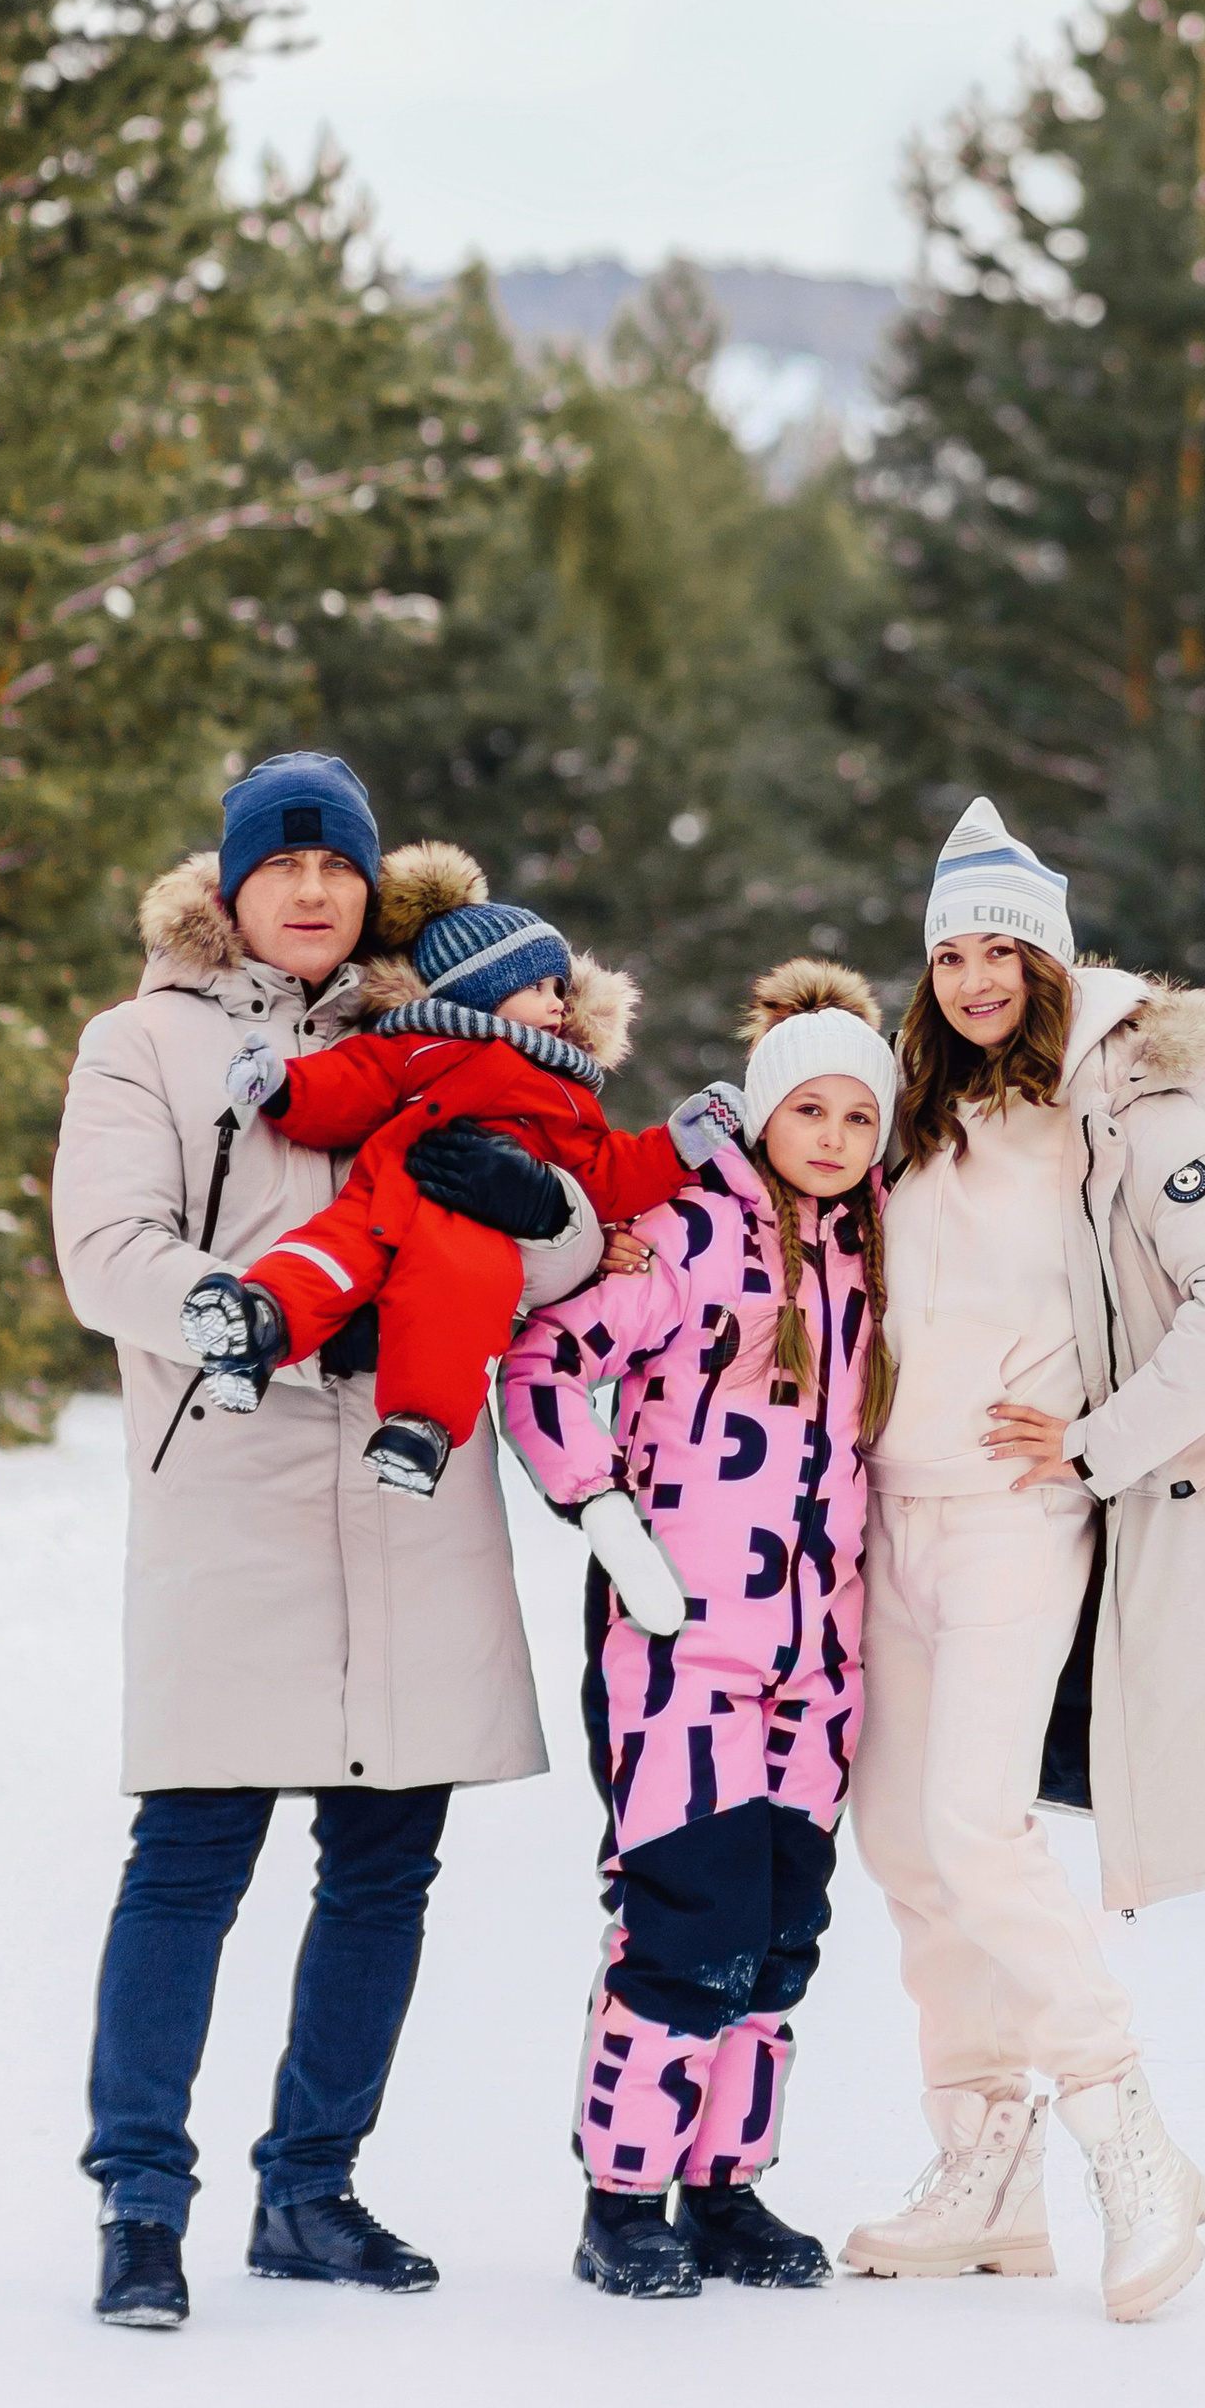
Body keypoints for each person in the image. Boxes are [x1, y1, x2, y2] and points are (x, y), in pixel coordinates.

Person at [51, 753, 612, 2336]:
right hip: (232, 1473)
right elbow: (105, 1250)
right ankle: (139, 2202)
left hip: (412, 1476)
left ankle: (310, 2189)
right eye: (280, 866)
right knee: (191, 1861)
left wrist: (534, 1207)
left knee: (385, 1870)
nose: (310, 891)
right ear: (228, 887)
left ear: (372, 890)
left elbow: (574, 1244)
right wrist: (240, 1319)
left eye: (337, 869)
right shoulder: (140, 1043)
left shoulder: (436, 1031)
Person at [843, 798, 1205, 2324]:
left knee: (978, 1828)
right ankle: (983, 2176)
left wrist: (1106, 1438)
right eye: (952, 954)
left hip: (1017, 1519)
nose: (976, 978)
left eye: (1003, 949)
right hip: (887, 1519)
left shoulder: (1126, 1100)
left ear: (1051, 958)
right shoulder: (917, 1104)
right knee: (912, 1853)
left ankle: (1132, 2139)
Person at [501, 960, 897, 2300]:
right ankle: (624, 2197)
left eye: (860, 1115)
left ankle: (727, 2189)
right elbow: (542, 1364)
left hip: (819, 1665)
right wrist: (605, 1518)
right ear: (766, 1115)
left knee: (783, 1937)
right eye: (810, 1111)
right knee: (688, 1927)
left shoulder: (877, 1259)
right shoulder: (680, 1238)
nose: (834, 1137)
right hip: (683, 1652)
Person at [184, 841, 738, 1498]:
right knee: (324, 1255)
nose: (558, 1002)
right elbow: (348, 1084)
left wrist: (675, 1149)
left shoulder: (564, 1091)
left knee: (459, 1306)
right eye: (536, 987)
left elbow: (604, 1170)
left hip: (477, 1231)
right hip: (384, 1196)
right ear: (481, 991)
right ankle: (258, 1324)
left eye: (560, 987)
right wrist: (280, 1086)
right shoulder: (420, 1048)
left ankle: (422, 1427)